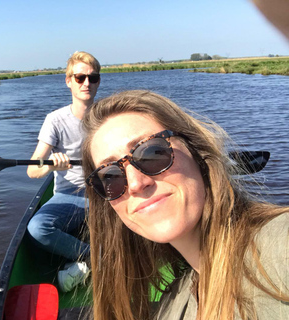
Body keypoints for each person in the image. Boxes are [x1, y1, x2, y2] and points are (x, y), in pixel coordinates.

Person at [81, 90, 289, 319]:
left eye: (151, 152)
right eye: (110, 176)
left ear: (196, 151)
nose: (135, 184)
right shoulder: (170, 308)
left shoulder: (280, 247)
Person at [26, 51, 101, 292]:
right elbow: (32, 170)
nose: (86, 83)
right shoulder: (55, 120)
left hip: (106, 193)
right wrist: (50, 165)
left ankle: (86, 265)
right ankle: (95, 259)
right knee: (37, 228)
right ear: (68, 81)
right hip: (69, 196)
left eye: (93, 78)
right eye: (80, 78)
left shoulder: (107, 116)